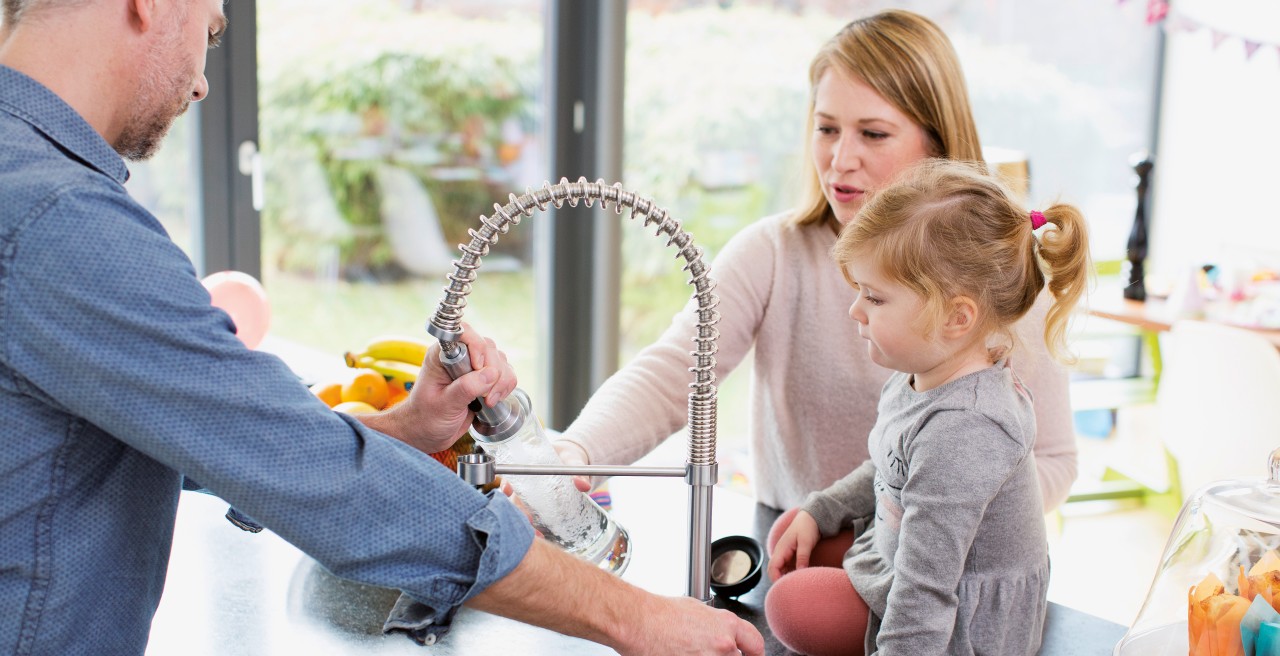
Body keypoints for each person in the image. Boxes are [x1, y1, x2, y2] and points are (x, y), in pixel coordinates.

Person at [0, 1, 763, 655]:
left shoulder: (25, 183)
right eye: (212, 28)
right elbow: (326, 482)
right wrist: (638, 618)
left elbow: (206, 429)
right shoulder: (63, 223)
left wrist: (402, 428)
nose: (202, 81)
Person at [554, 9, 1076, 518]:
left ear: (936, 143)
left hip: (936, 564)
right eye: (827, 129)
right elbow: (673, 373)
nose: (840, 159)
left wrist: (907, 527)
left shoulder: (998, 271)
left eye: (873, 134)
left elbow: (1054, 459)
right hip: (791, 550)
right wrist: (575, 455)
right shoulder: (772, 253)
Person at [765, 158, 1090, 656]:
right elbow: (891, 467)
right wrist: (821, 510)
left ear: (956, 318)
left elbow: (927, 590)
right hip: (906, 549)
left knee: (790, 606)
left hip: (960, 617)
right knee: (795, 529)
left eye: (874, 298)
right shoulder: (923, 372)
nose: (855, 310)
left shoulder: (967, 431)